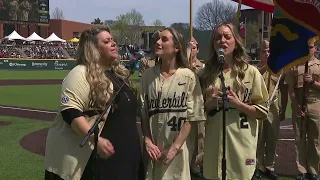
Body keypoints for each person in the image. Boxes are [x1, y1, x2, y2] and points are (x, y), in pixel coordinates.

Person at [44, 26, 144, 180]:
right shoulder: (80, 73)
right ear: (94, 48)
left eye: (112, 40)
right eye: (107, 41)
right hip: (98, 163)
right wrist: (96, 140)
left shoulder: (118, 74)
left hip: (126, 158)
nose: (113, 43)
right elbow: (70, 112)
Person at [199, 22, 269, 180]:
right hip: (214, 145)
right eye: (218, 37)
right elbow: (195, 112)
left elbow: (263, 112)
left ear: (236, 42)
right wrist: (210, 103)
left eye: (227, 36)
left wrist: (239, 104)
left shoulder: (250, 73)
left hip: (241, 144)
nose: (222, 40)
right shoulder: (204, 75)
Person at [139, 27, 206, 180]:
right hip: (154, 153)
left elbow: (192, 116)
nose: (158, 42)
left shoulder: (188, 76)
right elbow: (143, 114)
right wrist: (148, 141)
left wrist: (174, 148)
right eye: (158, 39)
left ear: (177, 47)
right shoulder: (147, 76)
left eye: (164, 39)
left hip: (179, 152)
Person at [285, 37, 320, 180]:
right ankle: (302, 170)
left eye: (311, 47)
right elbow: (291, 89)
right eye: (306, 47)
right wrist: (296, 104)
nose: (308, 50)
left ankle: (314, 170)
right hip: (299, 106)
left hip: (316, 105)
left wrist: (312, 82)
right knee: (299, 139)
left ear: (315, 49)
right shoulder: (294, 66)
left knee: (315, 140)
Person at [255, 40, 280, 180]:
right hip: (259, 105)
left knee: (272, 137)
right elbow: (258, 74)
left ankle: (270, 166)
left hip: (273, 106)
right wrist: (268, 66)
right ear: (260, 53)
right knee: (258, 138)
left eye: (269, 51)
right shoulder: (254, 69)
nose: (267, 54)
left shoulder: (277, 70)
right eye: (264, 51)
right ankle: (257, 166)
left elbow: (283, 88)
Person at [186, 37, 206, 178]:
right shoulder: (181, 65)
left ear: (198, 50)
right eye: (190, 47)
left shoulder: (202, 67)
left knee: (200, 137)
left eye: (194, 47)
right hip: (185, 105)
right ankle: (186, 164)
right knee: (186, 137)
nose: (192, 49)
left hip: (199, 104)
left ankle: (196, 164)